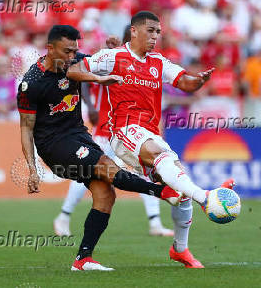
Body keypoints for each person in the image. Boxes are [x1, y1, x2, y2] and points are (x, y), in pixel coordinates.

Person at [67, 11, 235, 268]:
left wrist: (200, 81)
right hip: (122, 130)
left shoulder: (159, 63)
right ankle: (206, 198)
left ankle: (180, 249)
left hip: (149, 132)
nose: (155, 36)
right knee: (162, 158)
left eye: (158, 32)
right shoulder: (113, 56)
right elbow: (74, 70)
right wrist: (99, 78)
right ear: (134, 31)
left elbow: (186, 84)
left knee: (180, 186)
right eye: (150, 31)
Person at [17, 25, 181, 271]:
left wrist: (112, 49)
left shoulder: (76, 61)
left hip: (79, 136)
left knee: (105, 195)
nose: (72, 56)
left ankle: (83, 260)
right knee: (107, 167)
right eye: (66, 51)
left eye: (75, 50)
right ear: (49, 49)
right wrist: (32, 169)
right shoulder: (32, 83)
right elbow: (26, 128)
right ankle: (164, 193)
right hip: (53, 145)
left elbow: (102, 60)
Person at [54, 25, 173, 237]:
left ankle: (155, 222)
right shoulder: (113, 57)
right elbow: (83, 76)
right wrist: (89, 106)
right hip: (106, 128)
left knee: (144, 172)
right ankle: (63, 215)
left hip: (133, 130)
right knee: (88, 171)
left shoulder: (146, 64)